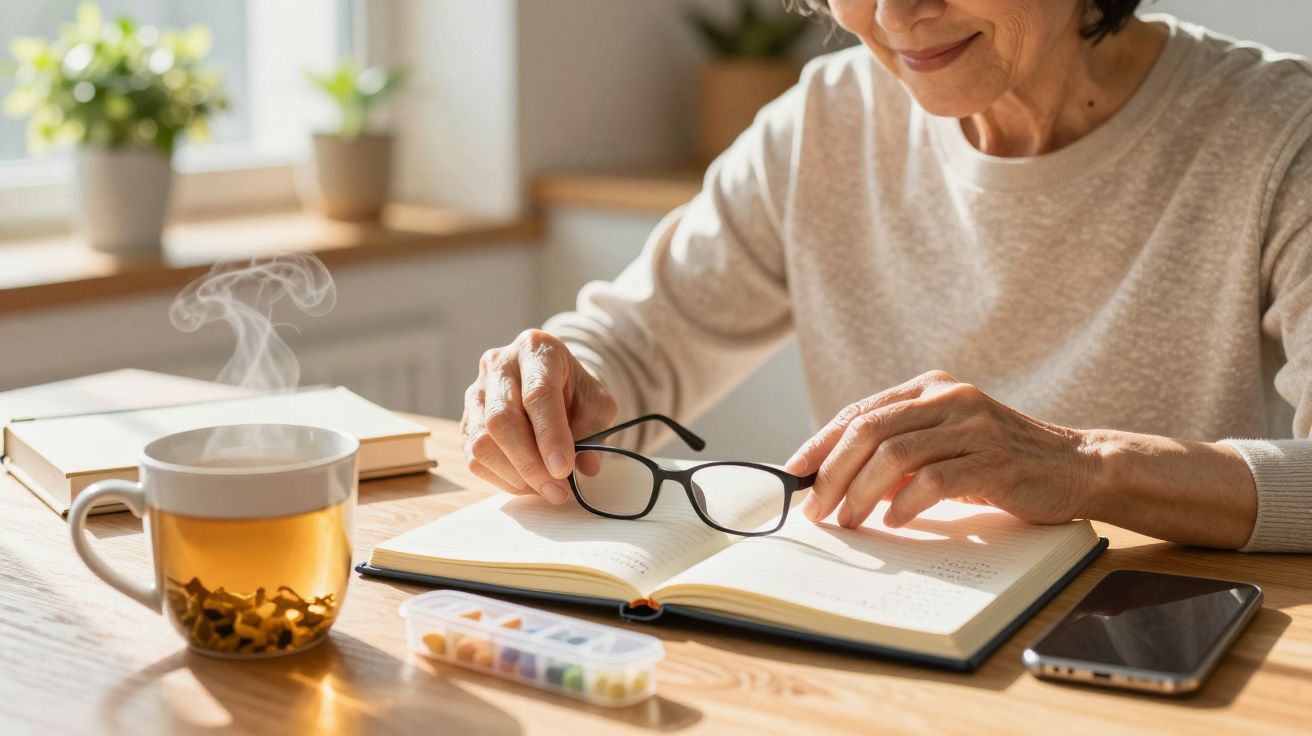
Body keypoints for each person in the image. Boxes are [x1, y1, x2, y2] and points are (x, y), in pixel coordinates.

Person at [462, 0, 1312, 552]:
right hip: (888, 649)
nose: (896, 11)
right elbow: (634, 344)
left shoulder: (1280, 135)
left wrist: (1088, 465)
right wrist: (551, 381)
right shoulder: (823, 122)